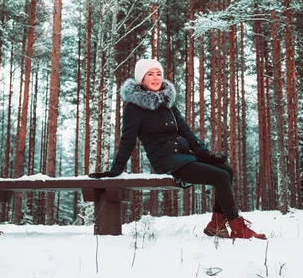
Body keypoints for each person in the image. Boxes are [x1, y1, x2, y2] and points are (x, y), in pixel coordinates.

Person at [89, 59, 266, 240]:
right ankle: (237, 227)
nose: (156, 78)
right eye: (150, 74)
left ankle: (217, 225)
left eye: (158, 74)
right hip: (165, 160)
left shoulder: (168, 103)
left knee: (226, 169)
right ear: (141, 79)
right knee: (220, 177)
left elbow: (186, 132)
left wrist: (206, 154)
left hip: (183, 155)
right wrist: (115, 169)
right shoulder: (134, 109)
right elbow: (127, 141)